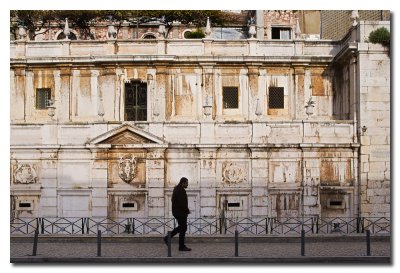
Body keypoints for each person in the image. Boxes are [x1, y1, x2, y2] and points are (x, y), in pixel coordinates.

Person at [163, 177, 191, 251]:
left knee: (182, 228)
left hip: (178, 212)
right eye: (186, 183)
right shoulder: (180, 190)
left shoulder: (177, 189)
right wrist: (187, 210)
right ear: (183, 183)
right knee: (183, 228)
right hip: (180, 213)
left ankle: (173, 240)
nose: (187, 185)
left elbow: (175, 201)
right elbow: (182, 203)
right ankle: (180, 245)